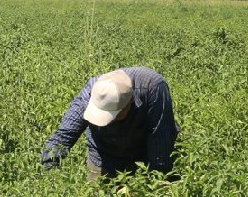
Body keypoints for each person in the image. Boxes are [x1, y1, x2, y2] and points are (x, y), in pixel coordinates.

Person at [41, 67, 179, 178]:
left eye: (114, 116)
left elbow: (160, 137)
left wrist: (157, 179)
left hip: (143, 155)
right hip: (103, 155)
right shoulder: (91, 93)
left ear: (130, 101)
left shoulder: (152, 87)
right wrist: (50, 173)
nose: (107, 123)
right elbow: (64, 135)